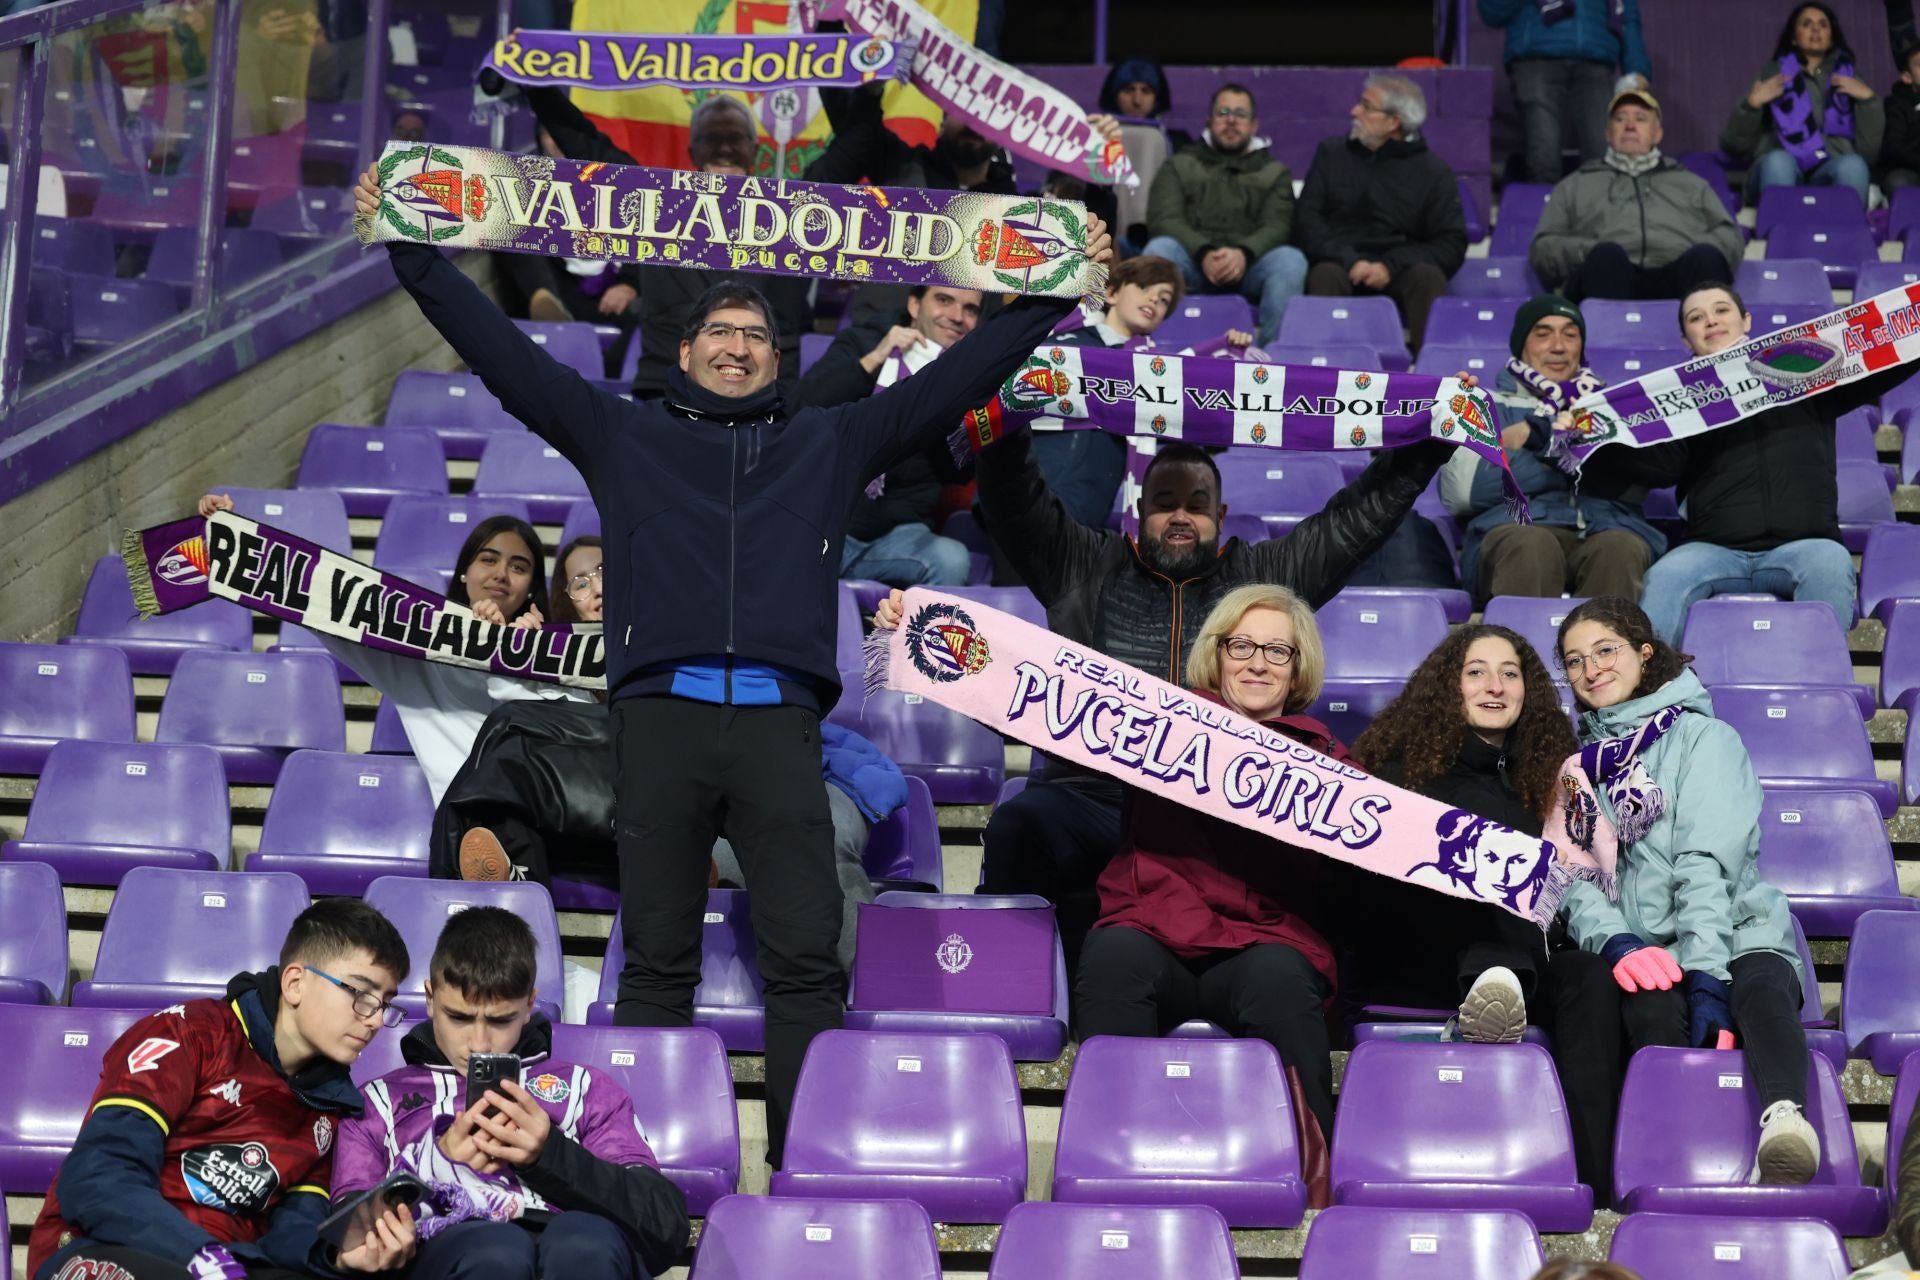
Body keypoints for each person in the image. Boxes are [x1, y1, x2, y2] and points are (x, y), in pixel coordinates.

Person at [361, 163, 1111, 1170]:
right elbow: (503, 356)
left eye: (756, 336)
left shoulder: (832, 439)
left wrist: (1057, 292)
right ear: (685, 351)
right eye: (720, 331)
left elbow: (955, 378)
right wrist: (413, 249)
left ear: (776, 359)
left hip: (776, 731)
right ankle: (646, 1173)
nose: (737, 345)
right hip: (658, 727)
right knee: (657, 960)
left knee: (806, 960)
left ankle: (800, 1169)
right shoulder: (620, 433)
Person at [899, 397, 1457, 971]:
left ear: (1222, 513)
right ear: (1140, 510)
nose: (1181, 516)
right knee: (1021, 822)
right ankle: (1014, 990)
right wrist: (1005, 409)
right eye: (1165, 504)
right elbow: (1015, 495)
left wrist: (1432, 440)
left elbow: (1355, 520)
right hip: (1096, 799)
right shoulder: (1082, 564)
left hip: (1218, 807)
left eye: (1197, 504)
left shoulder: (1261, 577)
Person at [436, 535, 901, 974]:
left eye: (607, 571)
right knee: (517, 742)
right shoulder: (552, 677)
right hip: (628, 807)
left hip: (742, 775)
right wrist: (530, 656)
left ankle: (865, 986)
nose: (597, 587)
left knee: (806, 841)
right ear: (564, 604)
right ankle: (522, 874)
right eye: (580, 582)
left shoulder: (684, 635)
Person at [1346, 624, 1625, 1194]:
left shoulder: (1549, 780)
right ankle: (1498, 982)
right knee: (1487, 856)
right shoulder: (1400, 773)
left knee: (1589, 978)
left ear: (1528, 691)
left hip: (1521, 960)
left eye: (1510, 672)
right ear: (1447, 687)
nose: (1493, 685)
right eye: (1475, 671)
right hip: (1421, 956)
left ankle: (1593, 1185)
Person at [1554, 596, 1820, 1184]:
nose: (1590, 669)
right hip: (1649, 949)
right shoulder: (1577, 765)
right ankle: (1658, 1171)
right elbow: (1571, 877)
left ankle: (1784, 1120)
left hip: (1734, 927)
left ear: (1645, 655)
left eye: (1606, 650)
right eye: (1574, 661)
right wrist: (1617, 942)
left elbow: (1706, 867)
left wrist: (1707, 974)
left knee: (1758, 989)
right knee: (1649, 1013)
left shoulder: (1706, 738)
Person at [1074, 584, 1343, 1146]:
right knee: (1113, 954)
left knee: (1281, 981)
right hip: (1153, 932)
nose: (1257, 664)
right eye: (1241, 646)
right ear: (1217, 653)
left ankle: (1308, 1175)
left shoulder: (1329, 765)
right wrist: (922, 637)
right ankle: (1105, 1159)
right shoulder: (1156, 727)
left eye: (1277, 651)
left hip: (1262, 946)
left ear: (1298, 670)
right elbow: (1043, 712)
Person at [26, 899, 415, 1280]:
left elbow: (293, 1228)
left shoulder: (330, 1105)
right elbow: (99, 1179)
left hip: (229, 1262)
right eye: (361, 995)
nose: (376, 1019)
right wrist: (199, 1255)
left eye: (385, 1003)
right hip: (97, 1245)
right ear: (295, 983)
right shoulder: (188, 1036)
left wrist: (338, 1257)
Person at [334, 907, 688, 1279]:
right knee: (496, 1252)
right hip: (459, 1256)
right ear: (430, 998)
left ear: (529, 1005)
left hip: (576, 1249)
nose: (480, 1044)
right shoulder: (378, 1103)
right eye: (460, 1017)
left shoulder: (586, 1090)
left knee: (584, 1243)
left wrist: (549, 1155)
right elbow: (349, 1238)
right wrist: (437, 1164)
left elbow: (665, 1227)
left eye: (500, 1020)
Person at [196, 495, 591, 806]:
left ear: (531, 587)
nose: (502, 574)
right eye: (488, 560)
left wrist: (515, 658)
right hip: (470, 817)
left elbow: (574, 738)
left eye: (519, 567)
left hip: (548, 807)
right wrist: (237, 537)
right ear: (464, 573)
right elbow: (323, 608)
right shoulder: (419, 649)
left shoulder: (562, 654)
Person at [1632, 282, 1917, 645]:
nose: (1711, 322)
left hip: (1804, 545)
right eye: (1696, 317)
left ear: (1745, 320)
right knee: (1665, 576)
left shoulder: (1802, 374)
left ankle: (1820, 683)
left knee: (1830, 562)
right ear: (1687, 340)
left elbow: (1879, 359)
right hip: (1712, 550)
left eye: (1721, 310)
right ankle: (1650, 694)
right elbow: (1658, 467)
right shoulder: (1679, 403)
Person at [1441, 295, 1663, 604]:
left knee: (1621, 547)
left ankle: (1606, 651)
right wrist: (1575, 458)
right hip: (1517, 530)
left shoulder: (1609, 408)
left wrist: (1534, 442)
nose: (1558, 346)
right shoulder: (1483, 403)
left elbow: (1635, 484)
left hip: (1603, 528)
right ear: (1522, 345)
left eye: (1570, 335)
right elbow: (1467, 491)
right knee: (1533, 543)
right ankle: (1520, 651)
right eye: (1543, 334)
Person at [797, 283, 984, 587]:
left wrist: (950, 401)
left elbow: (961, 472)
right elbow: (803, 408)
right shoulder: (864, 340)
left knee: (952, 559)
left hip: (900, 535)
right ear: (914, 305)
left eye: (970, 309)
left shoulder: (968, 375)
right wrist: (876, 357)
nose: (956, 316)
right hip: (824, 521)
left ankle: (918, 633)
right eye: (944, 300)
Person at [1296, 75, 1466, 352]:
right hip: (1341, 263)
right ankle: (1322, 372)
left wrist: (1391, 265)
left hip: (1401, 267)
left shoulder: (1434, 172)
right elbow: (1307, 221)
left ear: (1393, 122)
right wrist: (1350, 261)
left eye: (1366, 106)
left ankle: (1433, 376)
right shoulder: (1331, 154)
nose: (1354, 112)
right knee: (1324, 274)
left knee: (1427, 277)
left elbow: (1450, 243)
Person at [1529, 89, 1744, 302]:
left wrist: (1691, 247)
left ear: (1657, 133)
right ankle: (1608, 335)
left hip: (1678, 276)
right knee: (1607, 257)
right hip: (1607, 277)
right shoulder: (1575, 184)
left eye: (1640, 119)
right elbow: (1543, 249)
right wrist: (1588, 251)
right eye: (1620, 119)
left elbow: (1729, 237)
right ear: (1608, 133)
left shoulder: (1691, 183)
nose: (1630, 126)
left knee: (1704, 257)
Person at [1141, 82, 1309, 345]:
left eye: (1240, 115)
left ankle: (1271, 359)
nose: (1231, 121)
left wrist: (1243, 253)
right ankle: (1155, 349)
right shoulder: (1179, 165)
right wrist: (1204, 252)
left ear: (1254, 125)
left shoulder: (1275, 172)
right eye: (1223, 113)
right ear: (1208, 121)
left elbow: (1278, 225)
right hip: (1194, 264)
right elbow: (1164, 219)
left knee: (1290, 261)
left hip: (1250, 267)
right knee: (1159, 249)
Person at [1721, 2, 1881, 204]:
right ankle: (1778, 233)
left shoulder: (1849, 78)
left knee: (1853, 166)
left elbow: (1870, 153)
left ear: (1832, 38)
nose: (1816, 29)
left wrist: (1869, 102)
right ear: (1793, 38)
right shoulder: (1773, 75)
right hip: (1780, 166)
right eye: (1807, 24)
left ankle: (1848, 234)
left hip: (1830, 167)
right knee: (1779, 163)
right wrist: (1751, 106)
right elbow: (1733, 146)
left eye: (1823, 25)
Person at [1478, 0, 1651, 184]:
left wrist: (1636, 67)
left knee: (1604, 160)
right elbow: (1492, 12)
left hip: (1595, 59)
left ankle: (1600, 211)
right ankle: (1543, 210)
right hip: (1535, 58)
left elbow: (1626, 12)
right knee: (1543, 159)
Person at [1880, 40, 1920, 192]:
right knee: (1897, 181)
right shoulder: (1897, 105)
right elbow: (1893, 148)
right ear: (1907, 77)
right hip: (1914, 169)